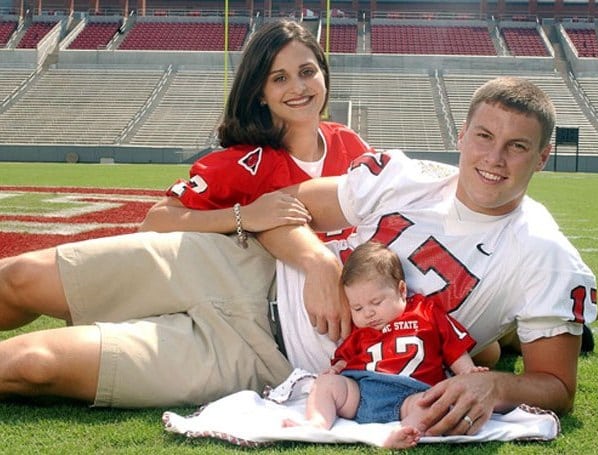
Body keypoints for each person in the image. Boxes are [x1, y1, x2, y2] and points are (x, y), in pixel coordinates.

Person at [0, 19, 372, 408]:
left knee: (35, 365)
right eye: (279, 78)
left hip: (264, 348)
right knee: (21, 276)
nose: (297, 87)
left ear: (324, 76)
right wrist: (244, 216)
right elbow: (157, 220)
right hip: (221, 269)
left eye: (307, 72)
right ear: (260, 92)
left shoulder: (353, 149)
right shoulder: (244, 161)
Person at [258, 76, 598, 436]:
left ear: (542, 157)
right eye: (484, 136)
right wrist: (317, 261)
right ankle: (497, 344)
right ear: (462, 135)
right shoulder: (410, 177)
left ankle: (498, 344)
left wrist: (496, 386)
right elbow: (278, 207)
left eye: (517, 146)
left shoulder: (547, 255)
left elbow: (558, 386)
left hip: (279, 363)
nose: (495, 159)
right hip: (260, 275)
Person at [286, 241, 487, 448]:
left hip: (412, 393)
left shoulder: (425, 312)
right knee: (325, 383)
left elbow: (453, 348)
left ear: (401, 290)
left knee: (435, 404)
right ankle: (317, 423)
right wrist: (336, 369)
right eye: (357, 307)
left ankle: (404, 432)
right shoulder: (361, 331)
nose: (368, 313)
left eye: (376, 302)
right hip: (362, 393)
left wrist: (468, 372)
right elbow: (344, 358)